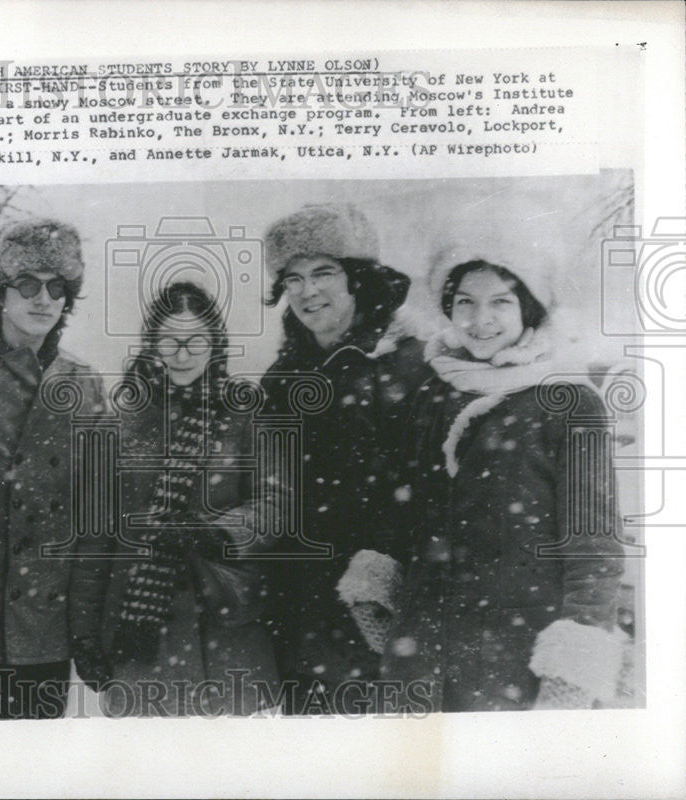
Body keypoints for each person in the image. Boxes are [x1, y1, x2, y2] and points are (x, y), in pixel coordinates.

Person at [378, 245, 626, 712]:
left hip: (518, 656)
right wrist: (384, 604)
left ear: (528, 308)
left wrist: (573, 664)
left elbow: (594, 546)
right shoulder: (433, 393)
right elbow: (404, 513)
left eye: (500, 302)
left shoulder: (567, 403)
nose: (480, 319)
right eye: (465, 301)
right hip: (422, 650)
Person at [67, 282, 280, 716]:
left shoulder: (243, 413)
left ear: (215, 343)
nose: (182, 354)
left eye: (195, 341)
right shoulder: (119, 423)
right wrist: (84, 632)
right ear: (152, 344)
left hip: (223, 634)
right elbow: (94, 540)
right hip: (140, 639)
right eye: (170, 340)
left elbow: (275, 504)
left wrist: (215, 532)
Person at [256, 203, 429, 714]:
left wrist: (387, 590)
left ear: (358, 279)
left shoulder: (413, 366)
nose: (308, 292)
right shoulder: (280, 380)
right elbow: (271, 494)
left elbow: (433, 497)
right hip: (298, 610)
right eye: (293, 279)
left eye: (324, 273)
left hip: (384, 611)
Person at [0, 218, 105, 719]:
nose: (44, 299)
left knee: (34, 769)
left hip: (45, 623)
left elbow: (98, 514)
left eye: (58, 288)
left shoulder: (83, 383)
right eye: (28, 285)